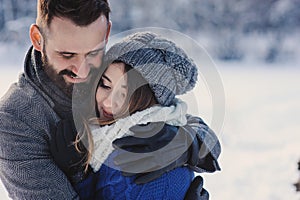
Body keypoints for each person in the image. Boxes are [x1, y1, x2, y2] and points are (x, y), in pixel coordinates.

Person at [0, 0, 221, 199]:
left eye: (93, 53)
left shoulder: (111, 69)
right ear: (38, 39)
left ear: (106, 34)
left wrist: (187, 140)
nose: (83, 71)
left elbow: (167, 111)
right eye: (66, 55)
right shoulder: (14, 122)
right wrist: (79, 175)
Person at [51, 32, 221, 199]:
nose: (109, 103)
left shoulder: (142, 157)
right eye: (105, 85)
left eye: (126, 94)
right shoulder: (101, 130)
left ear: (151, 101)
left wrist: (80, 179)